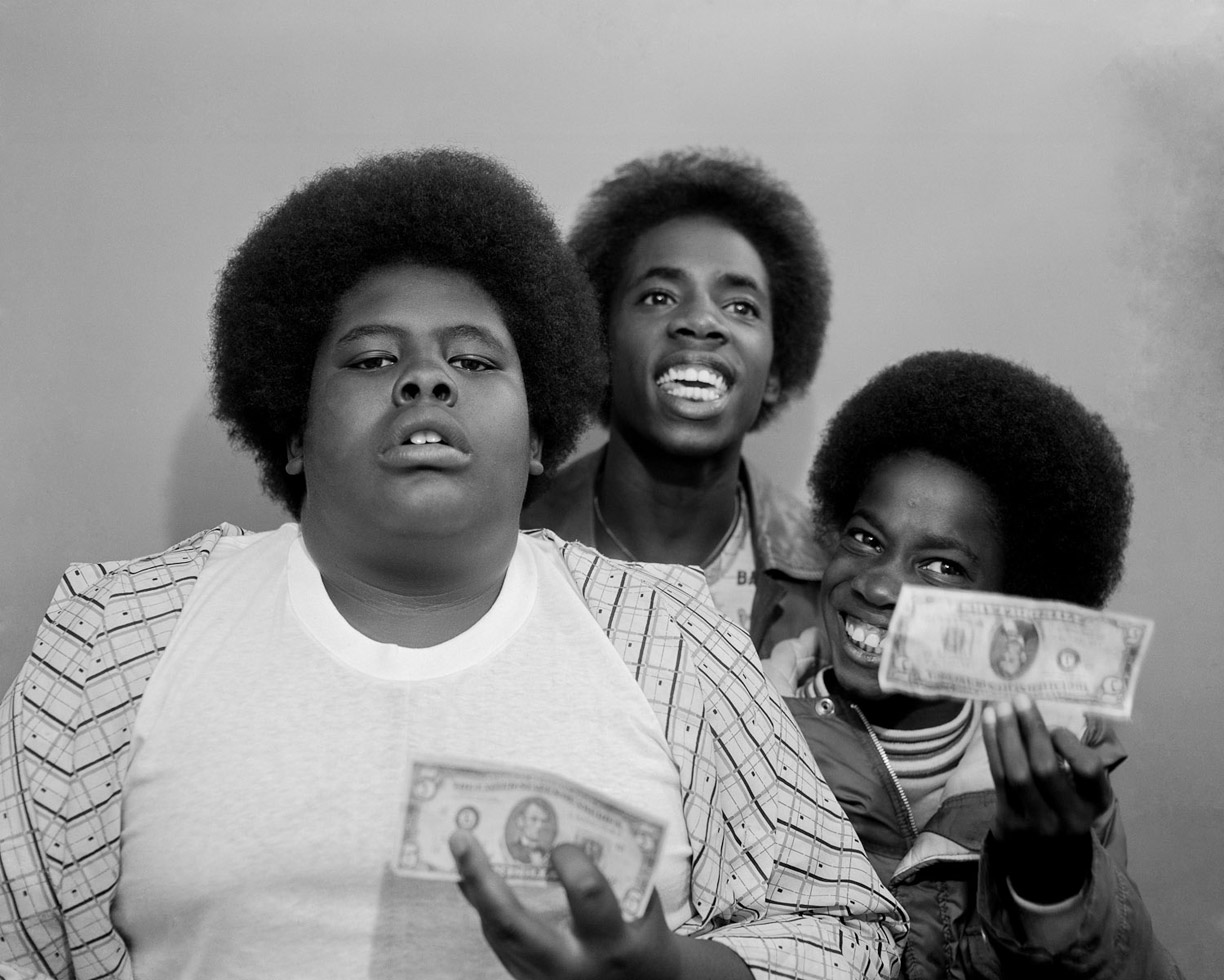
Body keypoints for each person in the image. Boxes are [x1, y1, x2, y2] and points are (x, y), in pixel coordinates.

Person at [0, 149, 904, 980]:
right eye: (373, 357)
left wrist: (675, 973)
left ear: (542, 430)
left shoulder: (671, 638)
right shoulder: (116, 634)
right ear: (293, 431)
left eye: (473, 359)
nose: (426, 381)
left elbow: (850, 934)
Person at [765, 350, 1183, 978]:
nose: (879, 587)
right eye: (866, 538)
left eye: (942, 567)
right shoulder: (745, 726)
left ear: (1011, 609)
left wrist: (1055, 889)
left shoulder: (1061, 776)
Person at [521, 149, 829, 657]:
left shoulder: (836, 582)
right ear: (598, 346)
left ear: (775, 372)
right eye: (659, 296)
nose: (701, 321)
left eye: (740, 306)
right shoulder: (507, 546)